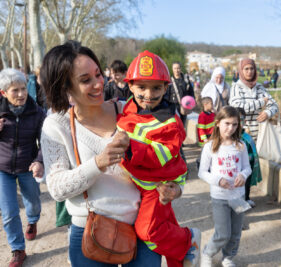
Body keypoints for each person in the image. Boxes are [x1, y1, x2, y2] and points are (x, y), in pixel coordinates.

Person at [40, 41, 181, 266]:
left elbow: (170, 158)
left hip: (142, 228)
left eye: (98, 74)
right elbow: (56, 188)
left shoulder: (129, 110)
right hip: (91, 230)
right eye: (86, 80)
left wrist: (174, 187)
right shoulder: (57, 125)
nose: (98, 84)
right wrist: (98, 163)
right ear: (65, 88)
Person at [116, 50, 201, 267]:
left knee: (149, 231)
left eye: (156, 88)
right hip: (137, 183)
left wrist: (128, 147)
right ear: (131, 86)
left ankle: (188, 239)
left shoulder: (170, 122)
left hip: (155, 185)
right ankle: (182, 258)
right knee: (165, 225)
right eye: (141, 87)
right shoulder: (128, 108)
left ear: (165, 88)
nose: (148, 94)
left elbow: (160, 155)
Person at [0, 68, 46, 267]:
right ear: (3, 93)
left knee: (33, 201)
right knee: (9, 212)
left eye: (22, 89)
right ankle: (18, 249)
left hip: (27, 166)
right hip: (2, 170)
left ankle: (33, 219)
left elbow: (46, 142)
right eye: (14, 91)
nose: (20, 94)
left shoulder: (37, 112)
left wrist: (39, 161)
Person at [198, 106, 252, 267]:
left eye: (235, 124)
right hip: (220, 197)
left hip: (238, 197)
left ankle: (228, 258)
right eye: (227, 123)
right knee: (223, 233)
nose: (231, 128)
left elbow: (247, 167)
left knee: (235, 233)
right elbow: (202, 172)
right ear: (217, 123)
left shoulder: (240, 145)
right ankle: (207, 253)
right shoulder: (210, 146)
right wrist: (218, 180)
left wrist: (243, 175)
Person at [229, 58, 278, 142]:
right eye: (246, 69)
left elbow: (274, 105)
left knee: (256, 155)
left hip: (259, 135)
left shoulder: (259, 87)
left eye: (252, 68)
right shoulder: (236, 87)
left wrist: (267, 113)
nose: (250, 71)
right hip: (241, 135)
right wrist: (261, 102)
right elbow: (237, 108)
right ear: (241, 70)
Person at [237, 108, 262, 208]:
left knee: (246, 183)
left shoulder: (247, 137)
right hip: (234, 167)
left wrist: (249, 158)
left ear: (245, 121)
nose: (239, 122)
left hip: (246, 166)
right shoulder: (230, 137)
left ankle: (246, 198)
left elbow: (252, 152)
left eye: (241, 119)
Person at [165, 62, 194, 127]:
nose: (177, 70)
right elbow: (166, 94)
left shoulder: (186, 80)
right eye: (175, 68)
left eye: (178, 68)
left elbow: (191, 92)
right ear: (172, 69)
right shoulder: (169, 81)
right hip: (173, 106)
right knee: (174, 125)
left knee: (182, 125)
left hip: (184, 107)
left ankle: (181, 136)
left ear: (180, 69)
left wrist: (192, 102)